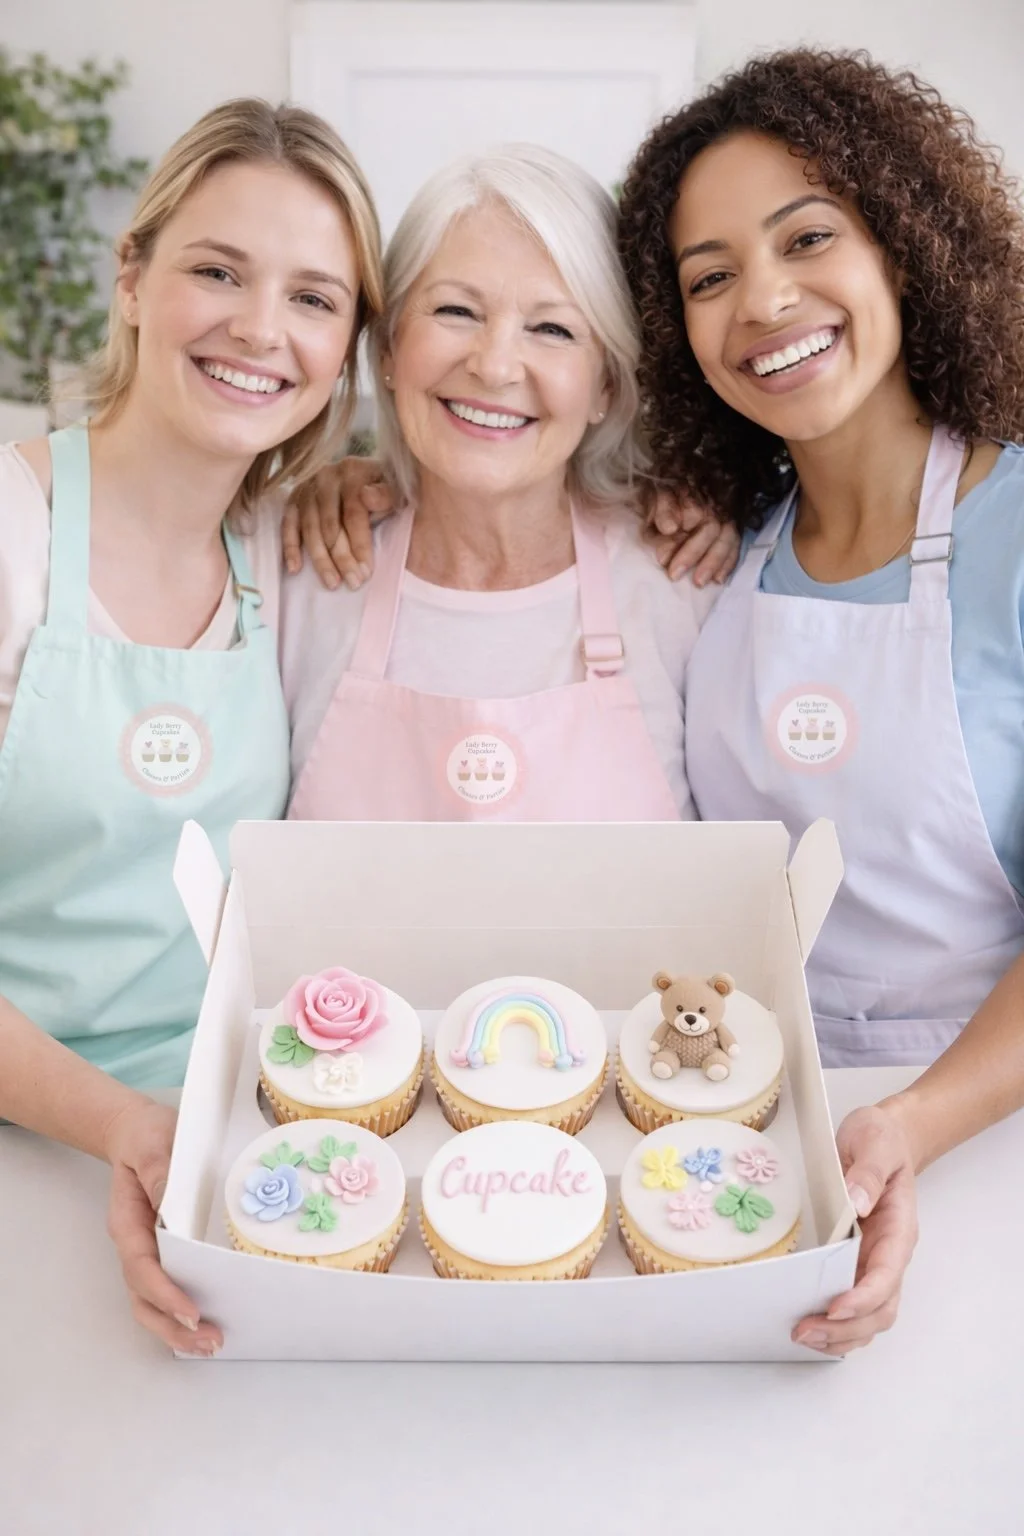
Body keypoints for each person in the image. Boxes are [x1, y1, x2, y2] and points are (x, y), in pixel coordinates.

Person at [618, 49, 1024, 1352]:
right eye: (711, 276)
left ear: (905, 239)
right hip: (760, 1132)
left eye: (808, 237)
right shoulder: (721, 544)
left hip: (978, 1135)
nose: (764, 300)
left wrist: (909, 1126)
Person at [0, 98, 384, 1354]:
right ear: (131, 277)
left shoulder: (284, 552)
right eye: (217, 270)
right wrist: (117, 1125)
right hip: (43, 1145)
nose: (259, 329)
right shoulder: (11, 524)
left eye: (315, 300)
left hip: (213, 1151)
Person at [281, 145, 719, 822]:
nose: (494, 366)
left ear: (605, 382)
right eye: (456, 311)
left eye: (552, 328)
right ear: (391, 348)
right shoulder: (301, 573)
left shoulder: (686, 576)